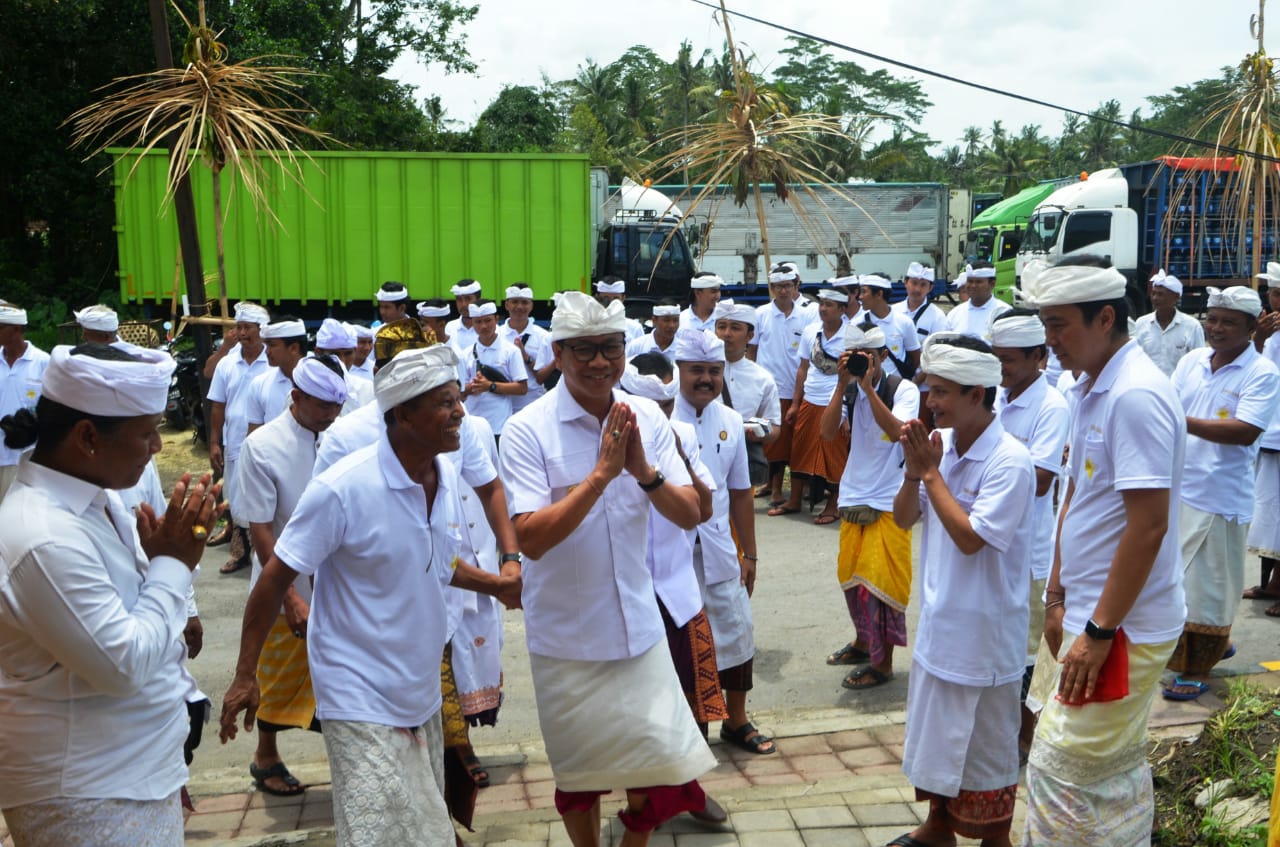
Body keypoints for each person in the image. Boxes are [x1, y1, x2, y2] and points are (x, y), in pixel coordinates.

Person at [220, 345, 521, 847]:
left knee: (424, 826)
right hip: (356, 687)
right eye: (445, 403)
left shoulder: (443, 476)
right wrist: (245, 674)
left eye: (457, 399)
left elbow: (433, 559)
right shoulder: (343, 488)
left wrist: (499, 583)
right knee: (378, 828)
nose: (461, 412)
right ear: (402, 414)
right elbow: (274, 576)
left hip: (416, 683)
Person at [500, 292, 716, 847]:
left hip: (639, 626)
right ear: (559, 353)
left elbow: (692, 512)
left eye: (611, 349)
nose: (600, 363)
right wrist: (600, 476)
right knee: (581, 775)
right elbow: (530, 538)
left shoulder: (646, 415)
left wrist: (643, 472)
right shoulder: (529, 428)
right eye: (585, 351)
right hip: (567, 638)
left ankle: (634, 842)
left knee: (650, 763)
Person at [0, 342, 220, 847]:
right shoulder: (43, 535)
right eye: (148, 433)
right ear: (87, 437)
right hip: (86, 792)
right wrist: (172, 564)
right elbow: (122, 664)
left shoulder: (96, 501)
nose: (158, 449)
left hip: (125, 776)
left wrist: (156, 561)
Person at [1020, 257, 1187, 845]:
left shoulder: (1135, 394)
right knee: (1100, 764)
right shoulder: (1088, 386)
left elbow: (1148, 527)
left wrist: (1098, 630)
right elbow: (1075, 496)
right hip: (1093, 610)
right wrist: (1058, 593)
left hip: (1124, 626)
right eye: (1045, 324)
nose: (1050, 341)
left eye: (1060, 325)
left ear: (1106, 318)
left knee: (1062, 763)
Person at [891, 332, 1035, 847]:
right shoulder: (941, 447)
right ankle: (937, 828)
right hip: (940, 623)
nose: (931, 402)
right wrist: (914, 475)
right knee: (937, 738)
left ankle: (995, 840)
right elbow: (904, 520)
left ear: (978, 394)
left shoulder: (1010, 461)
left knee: (986, 747)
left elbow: (973, 539)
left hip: (985, 637)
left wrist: (931, 476)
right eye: (929, 390)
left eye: (942, 392)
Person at [621, 354, 730, 825]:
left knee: (691, 696)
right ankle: (643, 800)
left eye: (666, 404)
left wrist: (676, 459)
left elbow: (702, 510)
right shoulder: (604, 448)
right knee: (636, 705)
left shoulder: (680, 437)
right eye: (649, 407)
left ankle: (691, 786)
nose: (659, 416)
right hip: (625, 596)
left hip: (677, 591)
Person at [235, 356, 348, 797]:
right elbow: (261, 527)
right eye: (323, 407)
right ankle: (266, 756)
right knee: (277, 675)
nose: (332, 416)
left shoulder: (342, 435)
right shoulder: (262, 447)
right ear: (296, 398)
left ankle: (348, 759)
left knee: (341, 677)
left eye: (336, 406)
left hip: (339, 584)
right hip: (286, 584)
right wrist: (288, 597)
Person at [1164, 286, 1280, 699]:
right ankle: (1214, 645)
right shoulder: (1193, 361)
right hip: (1179, 487)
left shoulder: (1261, 372)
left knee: (1208, 587)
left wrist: (1181, 421)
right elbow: (1166, 406)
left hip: (1220, 495)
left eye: (1228, 322)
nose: (1216, 328)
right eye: (1211, 319)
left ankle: (1197, 667)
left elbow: (1245, 430)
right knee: (1173, 580)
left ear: (1251, 328)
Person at [672, 329, 771, 756]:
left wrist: (749, 552)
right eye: (697, 370)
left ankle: (737, 720)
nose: (707, 379)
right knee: (685, 641)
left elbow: (741, 493)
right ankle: (693, 730)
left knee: (736, 632)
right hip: (671, 553)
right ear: (679, 370)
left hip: (718, 546)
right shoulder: (659, 418)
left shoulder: (731, 420)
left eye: (714, 371)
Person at [820, 325, 919, 690]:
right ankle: (863, 644)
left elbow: (897, 432)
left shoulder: (902, 389)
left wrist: (866, 387)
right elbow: (827, 433)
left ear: (880, 357)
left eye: (868, 358)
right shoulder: (847, 390)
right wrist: (841, 384)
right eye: (856, 358)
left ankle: (883, 664)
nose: (863, 364)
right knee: (851, 578)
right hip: (853, 493)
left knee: (880, 585)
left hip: (891, 499)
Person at [989, 310, 1070, 754]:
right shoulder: (997, 397)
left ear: (1039, 357)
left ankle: (1026, 734)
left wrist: (991, 469)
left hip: (1032, 551)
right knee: (1002, 646)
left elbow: (1040, 480)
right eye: (996, 359)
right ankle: (1006, 730)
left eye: (1008, 361)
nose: (1001, 370)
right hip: (994, 545)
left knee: (1031, 654)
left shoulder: (1051, 407)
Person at [769, 287, 850, 524]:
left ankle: (832, 505)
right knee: (800, 448)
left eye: (829, 305)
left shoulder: (852, 336)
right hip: (810, 398)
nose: (823, 309)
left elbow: (853, 379)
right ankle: (794, 499)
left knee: (834, 453)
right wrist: (795, 403)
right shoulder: (811, 331)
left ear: (842, 309)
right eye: (822, 304)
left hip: (836, 402)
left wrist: (846, 414)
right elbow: (803, 368)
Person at [208, 301, 270, 575]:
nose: (242, 333)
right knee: (235, 495)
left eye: (248, 328)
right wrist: (214, 441)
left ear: (261, 330)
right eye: (239, 327)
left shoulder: (273, 360)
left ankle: (263, 552)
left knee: (263, 495)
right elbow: (218, 405)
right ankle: (240, 552)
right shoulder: (227, 363)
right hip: (234, 440)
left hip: (266, 443)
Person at [752, 264, 819, 506]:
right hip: (773, 388)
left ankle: (807, 488)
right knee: (774, 442)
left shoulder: (808, 314)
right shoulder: (760, 314)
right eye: (778, 286)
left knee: (799, 442)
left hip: (801, 388)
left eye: (788, 286)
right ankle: (775, 487)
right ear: (771, 288)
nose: (783, 291)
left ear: (795, 286)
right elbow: (753, 350)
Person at [1245, 264, 1280, 614]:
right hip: (1268, 433)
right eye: (1273, 292)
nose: (1276, 299)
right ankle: (1269, 581)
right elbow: (1252, 371)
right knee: (1268, 511)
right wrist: (1258, 339)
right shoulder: (1269, 331)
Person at [0, 302, 50, 503]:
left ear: (17, 329)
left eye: (0, 327)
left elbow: (51, 408)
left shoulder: (42, 362)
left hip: (25, 457)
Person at [460, 299, 529, 441]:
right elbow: (460, 392)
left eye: (488, 320)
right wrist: (472, 387)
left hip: (499, 426)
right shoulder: (466, 354)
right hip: (473, 426)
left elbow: (522, 388)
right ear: (472, 323)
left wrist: (490, 386)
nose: (483, 326)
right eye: (478, 322)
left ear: (497, 319)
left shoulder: (511, 351)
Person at [1132, 270, 1205, 376]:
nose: (1155, 298)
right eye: (1153, 293)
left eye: (1161, 294)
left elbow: (1199, 362)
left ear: (1176, 297)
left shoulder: (1192, 326)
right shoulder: (1141, 323)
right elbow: (1134, 358)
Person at [244, 316, 308, 432]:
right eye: (266, 345)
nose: (267, 351)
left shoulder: (322, 383)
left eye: (272, 345)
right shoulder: (259, 384)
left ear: (294, 348)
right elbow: (254, 435)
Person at [853, 275, 921, 379]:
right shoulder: (857, 324)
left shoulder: (904, 322)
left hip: (896, 388)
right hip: (867, 385)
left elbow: (915, 358)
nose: (860, 297)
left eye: (864, 292)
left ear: (879, 294)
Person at [502, 283, 554, 414]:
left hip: (534, 403)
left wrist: (525, 356)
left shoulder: (543, 336)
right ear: (507, 305)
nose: (519, 307)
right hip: (503, 402)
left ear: (531, 306)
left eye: (524, 302)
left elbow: (543, 376)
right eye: (515, 302)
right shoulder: (497, 334)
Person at [314, 319, 374, 412]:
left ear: (354, 351)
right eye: (335, 354)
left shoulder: (367, 390)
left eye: (348, 353)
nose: (341, 361)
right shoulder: (305, 390)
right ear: (318, 353)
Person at [945, 263, 1011, 341]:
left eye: (978, 282)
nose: (973, 286)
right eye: (970, 281)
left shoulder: (1004, 312)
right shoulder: (955, 313)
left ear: (992, 284)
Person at [594, 277, 645, 342]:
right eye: (605, 298)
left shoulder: (634, 328)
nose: (611, 303)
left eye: (616, 299)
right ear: (598, 298)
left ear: (623, 298)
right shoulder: (589, 326)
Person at [445, 279, 482, 355]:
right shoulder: (449, 328)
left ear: (478, 300)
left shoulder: (492, 329)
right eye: (459, 299)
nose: (463, 304)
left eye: (468, 299)